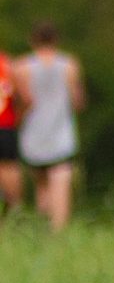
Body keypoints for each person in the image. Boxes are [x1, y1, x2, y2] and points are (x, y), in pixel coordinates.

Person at [16, 24, 85, 232]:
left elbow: (24, 101)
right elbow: (77, 101)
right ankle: (59, 230)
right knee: (61, 181)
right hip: (61, 132)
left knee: (41, 183)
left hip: (33, 132)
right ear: (56, 40)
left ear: (32, 40)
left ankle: (43, 225)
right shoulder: (70, 65)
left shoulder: (21, 67)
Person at [0, 46, 23, 218]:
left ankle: (14, 211)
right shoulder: (9, 63)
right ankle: (15, 211)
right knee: (9, 168)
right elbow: (22, 96)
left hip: (5, 124)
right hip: (5, 124)